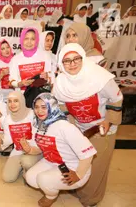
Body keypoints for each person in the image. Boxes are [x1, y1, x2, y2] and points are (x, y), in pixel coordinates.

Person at [52, 43, 123, 206]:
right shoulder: (60, 83)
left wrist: (108, 120)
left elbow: (116, 98)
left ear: (82, 58)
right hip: (80, 128)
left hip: (103, 127)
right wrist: (70, 125)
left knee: (97, 164)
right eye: (67, 61)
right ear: (62, 65)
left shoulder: (100, 77)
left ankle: (92, 197)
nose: (72, 64)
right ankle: (80, 190)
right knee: (80, 160)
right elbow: (62, 105)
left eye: (76, 59)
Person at [25, 93, 97, 207]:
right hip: (52, 161)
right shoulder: (39, 124)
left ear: (52, 107)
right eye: (37, 107)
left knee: (43, 179)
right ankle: (54, 185)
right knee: (31, 178)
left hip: (73, 167)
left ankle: (51, 196)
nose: (39, 111)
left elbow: (88, 154)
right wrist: (28, 148)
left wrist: (78, 174)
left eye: (44, 107)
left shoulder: (64, 127)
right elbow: (41, 148)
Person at [0, 91, 41, 182]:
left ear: (22, 101)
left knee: (27, 162)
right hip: (18, 149)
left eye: (16, 101)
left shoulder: (32, 114)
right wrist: (1, 142)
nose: (12, 104)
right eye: (10, 101)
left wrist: (29, 148)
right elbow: (9, 137)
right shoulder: (8, 119)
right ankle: (22, 165)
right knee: (8, 178)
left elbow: (40, 135)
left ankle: (29, 168)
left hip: (35, 149)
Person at [9, 27, 53, 92]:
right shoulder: (15, 59)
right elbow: (12, 81)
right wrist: (21, 83)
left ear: (37, 40)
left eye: (32, 39)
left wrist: (47, 78)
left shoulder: (45, 56)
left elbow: (52, 79)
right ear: (21, 40)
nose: (29, 42)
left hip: (41, 96)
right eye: (26, 38)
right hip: (22, 96)